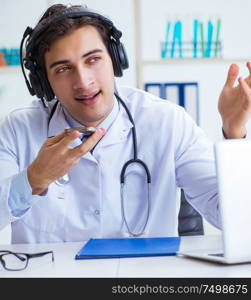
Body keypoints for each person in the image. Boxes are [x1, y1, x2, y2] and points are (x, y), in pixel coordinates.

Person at [0, 4, 251, 244]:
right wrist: (34, 179)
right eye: (63, 69)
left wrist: (234, 132)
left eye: (93, 60)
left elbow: (235, 220)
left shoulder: (168, 122)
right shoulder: (17, 130)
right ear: (44, 83)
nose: (83, 81)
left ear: (116, 60)